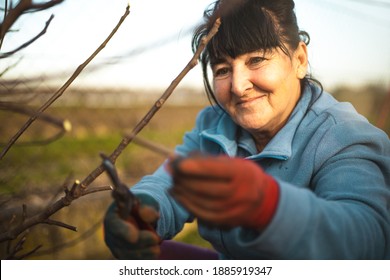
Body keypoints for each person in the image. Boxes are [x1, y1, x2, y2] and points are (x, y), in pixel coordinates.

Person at [103, 0, 390, 259]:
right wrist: (141, 208)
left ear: (300, 60)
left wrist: (268, 205)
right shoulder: (213, 126)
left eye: (256, 60)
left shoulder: (343, 136)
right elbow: (172, 182)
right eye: (223, 70)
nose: (238, 86)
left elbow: (367, 238)